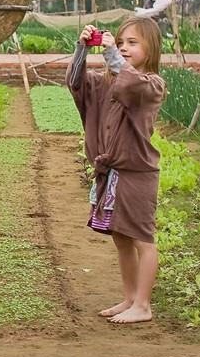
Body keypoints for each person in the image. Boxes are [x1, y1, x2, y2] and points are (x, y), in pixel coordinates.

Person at [66, 17, 165, 324]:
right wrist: (82, 49)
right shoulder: (107, 81)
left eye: (132, 43)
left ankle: (144, 305)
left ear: (152, 49)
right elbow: (76, 83)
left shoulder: (152, 85)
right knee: (121, 238)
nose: (124, 48)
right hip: (112, 175)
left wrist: (112, 56)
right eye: (121, 43)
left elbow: (131, 83)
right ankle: (130, 298)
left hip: (136, 175)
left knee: (142, 239)